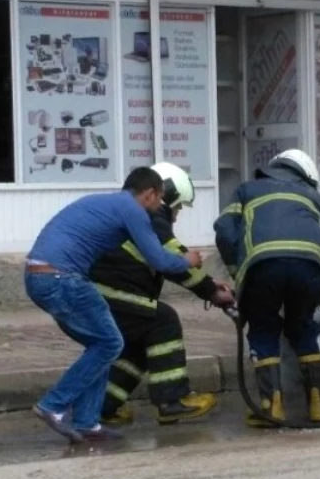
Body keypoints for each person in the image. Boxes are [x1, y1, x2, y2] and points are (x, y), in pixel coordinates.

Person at [24, 167, 201, 443]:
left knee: (103, 344)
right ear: (150, 194)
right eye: (160, 199)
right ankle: (54, 405)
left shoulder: (107, 203)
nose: (160, 207)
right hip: (62, 279)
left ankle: (87, 423)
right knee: (109, 344)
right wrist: (189, 260)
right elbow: (160, 260)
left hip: (40, 277)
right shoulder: (133, 210)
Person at [89, 162, 236, 427]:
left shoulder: (134, 213)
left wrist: (211, 284)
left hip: (104, 292)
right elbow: (176, 261)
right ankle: (172, 401)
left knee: (136, 346)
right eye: (177, 207)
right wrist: (212, 292)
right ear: (161, 194)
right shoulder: (152, 217)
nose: (177, 216)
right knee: (163, 321)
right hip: (113, 292)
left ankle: (102, 407)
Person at [214, 148, 320, 427]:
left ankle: (271, 406)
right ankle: (317, 404)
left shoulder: (246, 190)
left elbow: (225, 232)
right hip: (309, 269)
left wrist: (240, 276)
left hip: (263, 268)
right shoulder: (316, 197)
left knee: (263, 328)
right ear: (305, 176)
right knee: (304, 326)